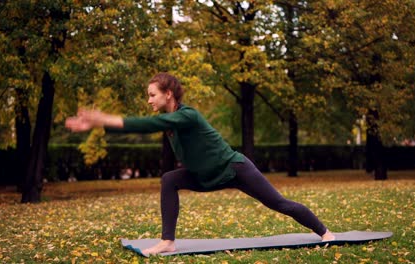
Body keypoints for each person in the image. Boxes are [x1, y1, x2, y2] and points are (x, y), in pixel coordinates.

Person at [65, 72, 335, 255]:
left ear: (168, 94)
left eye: (152, 94)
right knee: (170, 180)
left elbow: (149, 124)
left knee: (279, 204)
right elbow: (155, 125)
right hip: (204, 175)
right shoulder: (171, 122)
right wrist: (97, 125)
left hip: (234, 169)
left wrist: (103, 119)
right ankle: (168, 242)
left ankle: (324, 232)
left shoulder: (187, 116)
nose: (148, 100)